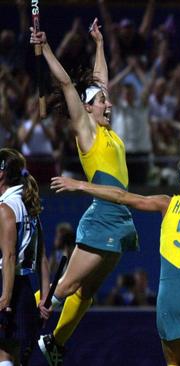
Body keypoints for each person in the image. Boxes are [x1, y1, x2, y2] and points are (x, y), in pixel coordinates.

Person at [50, 157, 180, 366]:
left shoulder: (166, 203)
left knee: (176, 364)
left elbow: (121, 196)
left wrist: (80, 184)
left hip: (170, 297)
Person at [30, 19, 139, 366]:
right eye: (102, 102)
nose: (109, 105)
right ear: (87, 107)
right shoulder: (86, 130)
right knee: (60, 290)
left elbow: (101, 80)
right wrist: (45, 47)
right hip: (103, 218)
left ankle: (56, 344)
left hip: (119, 218)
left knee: (87, 294)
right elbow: (65, 83)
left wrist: (100, 45)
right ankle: (17, 313)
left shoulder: (106, 128)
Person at [0, 148, 51, 366]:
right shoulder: (29, 208)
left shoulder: (5, 209)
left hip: (5, 285)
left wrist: (5, 298)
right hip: (25, 291)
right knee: (11, 354)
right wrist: (45, 299)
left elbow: (9, 256)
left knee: (4, 353)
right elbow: (42, 259)